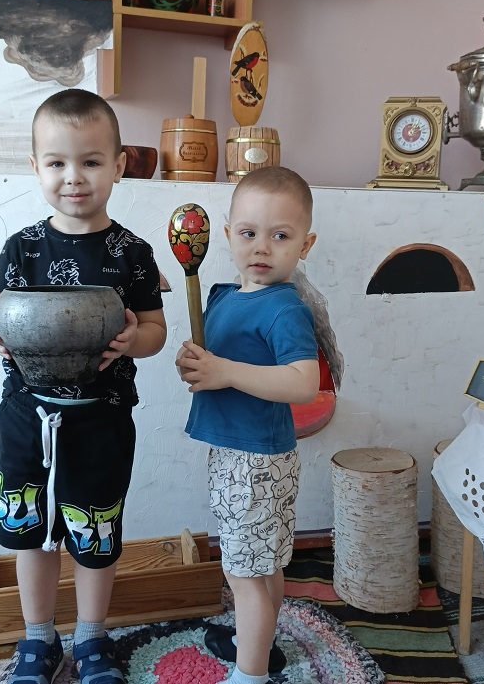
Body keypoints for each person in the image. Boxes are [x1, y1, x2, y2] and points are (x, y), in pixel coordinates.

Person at [0, 88, 167, 684]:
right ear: (36, 167)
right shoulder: (21, 248)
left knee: (94, 528)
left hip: (102, 417)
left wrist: (133, 339)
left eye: (90, 161)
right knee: (27, 529)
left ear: (119, 165)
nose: (73, 177)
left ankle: (90, 636)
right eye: (57, 162)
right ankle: (38, 638)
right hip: (25, 414)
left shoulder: (133, 253)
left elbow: (156, 332)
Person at [176, 166, 320, 684]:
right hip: (246, 453)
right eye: (248, 232)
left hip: (253, 460)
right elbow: (218, 365)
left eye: (280, 236)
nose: (262, 246)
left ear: (305, 245)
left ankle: (251, 674)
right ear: (227, 233)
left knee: (243, 573)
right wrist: (198, 366)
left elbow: (304, 383)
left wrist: (225, 372)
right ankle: (257, 642)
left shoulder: (283, 309)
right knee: (265, 563)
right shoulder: (223, 296)